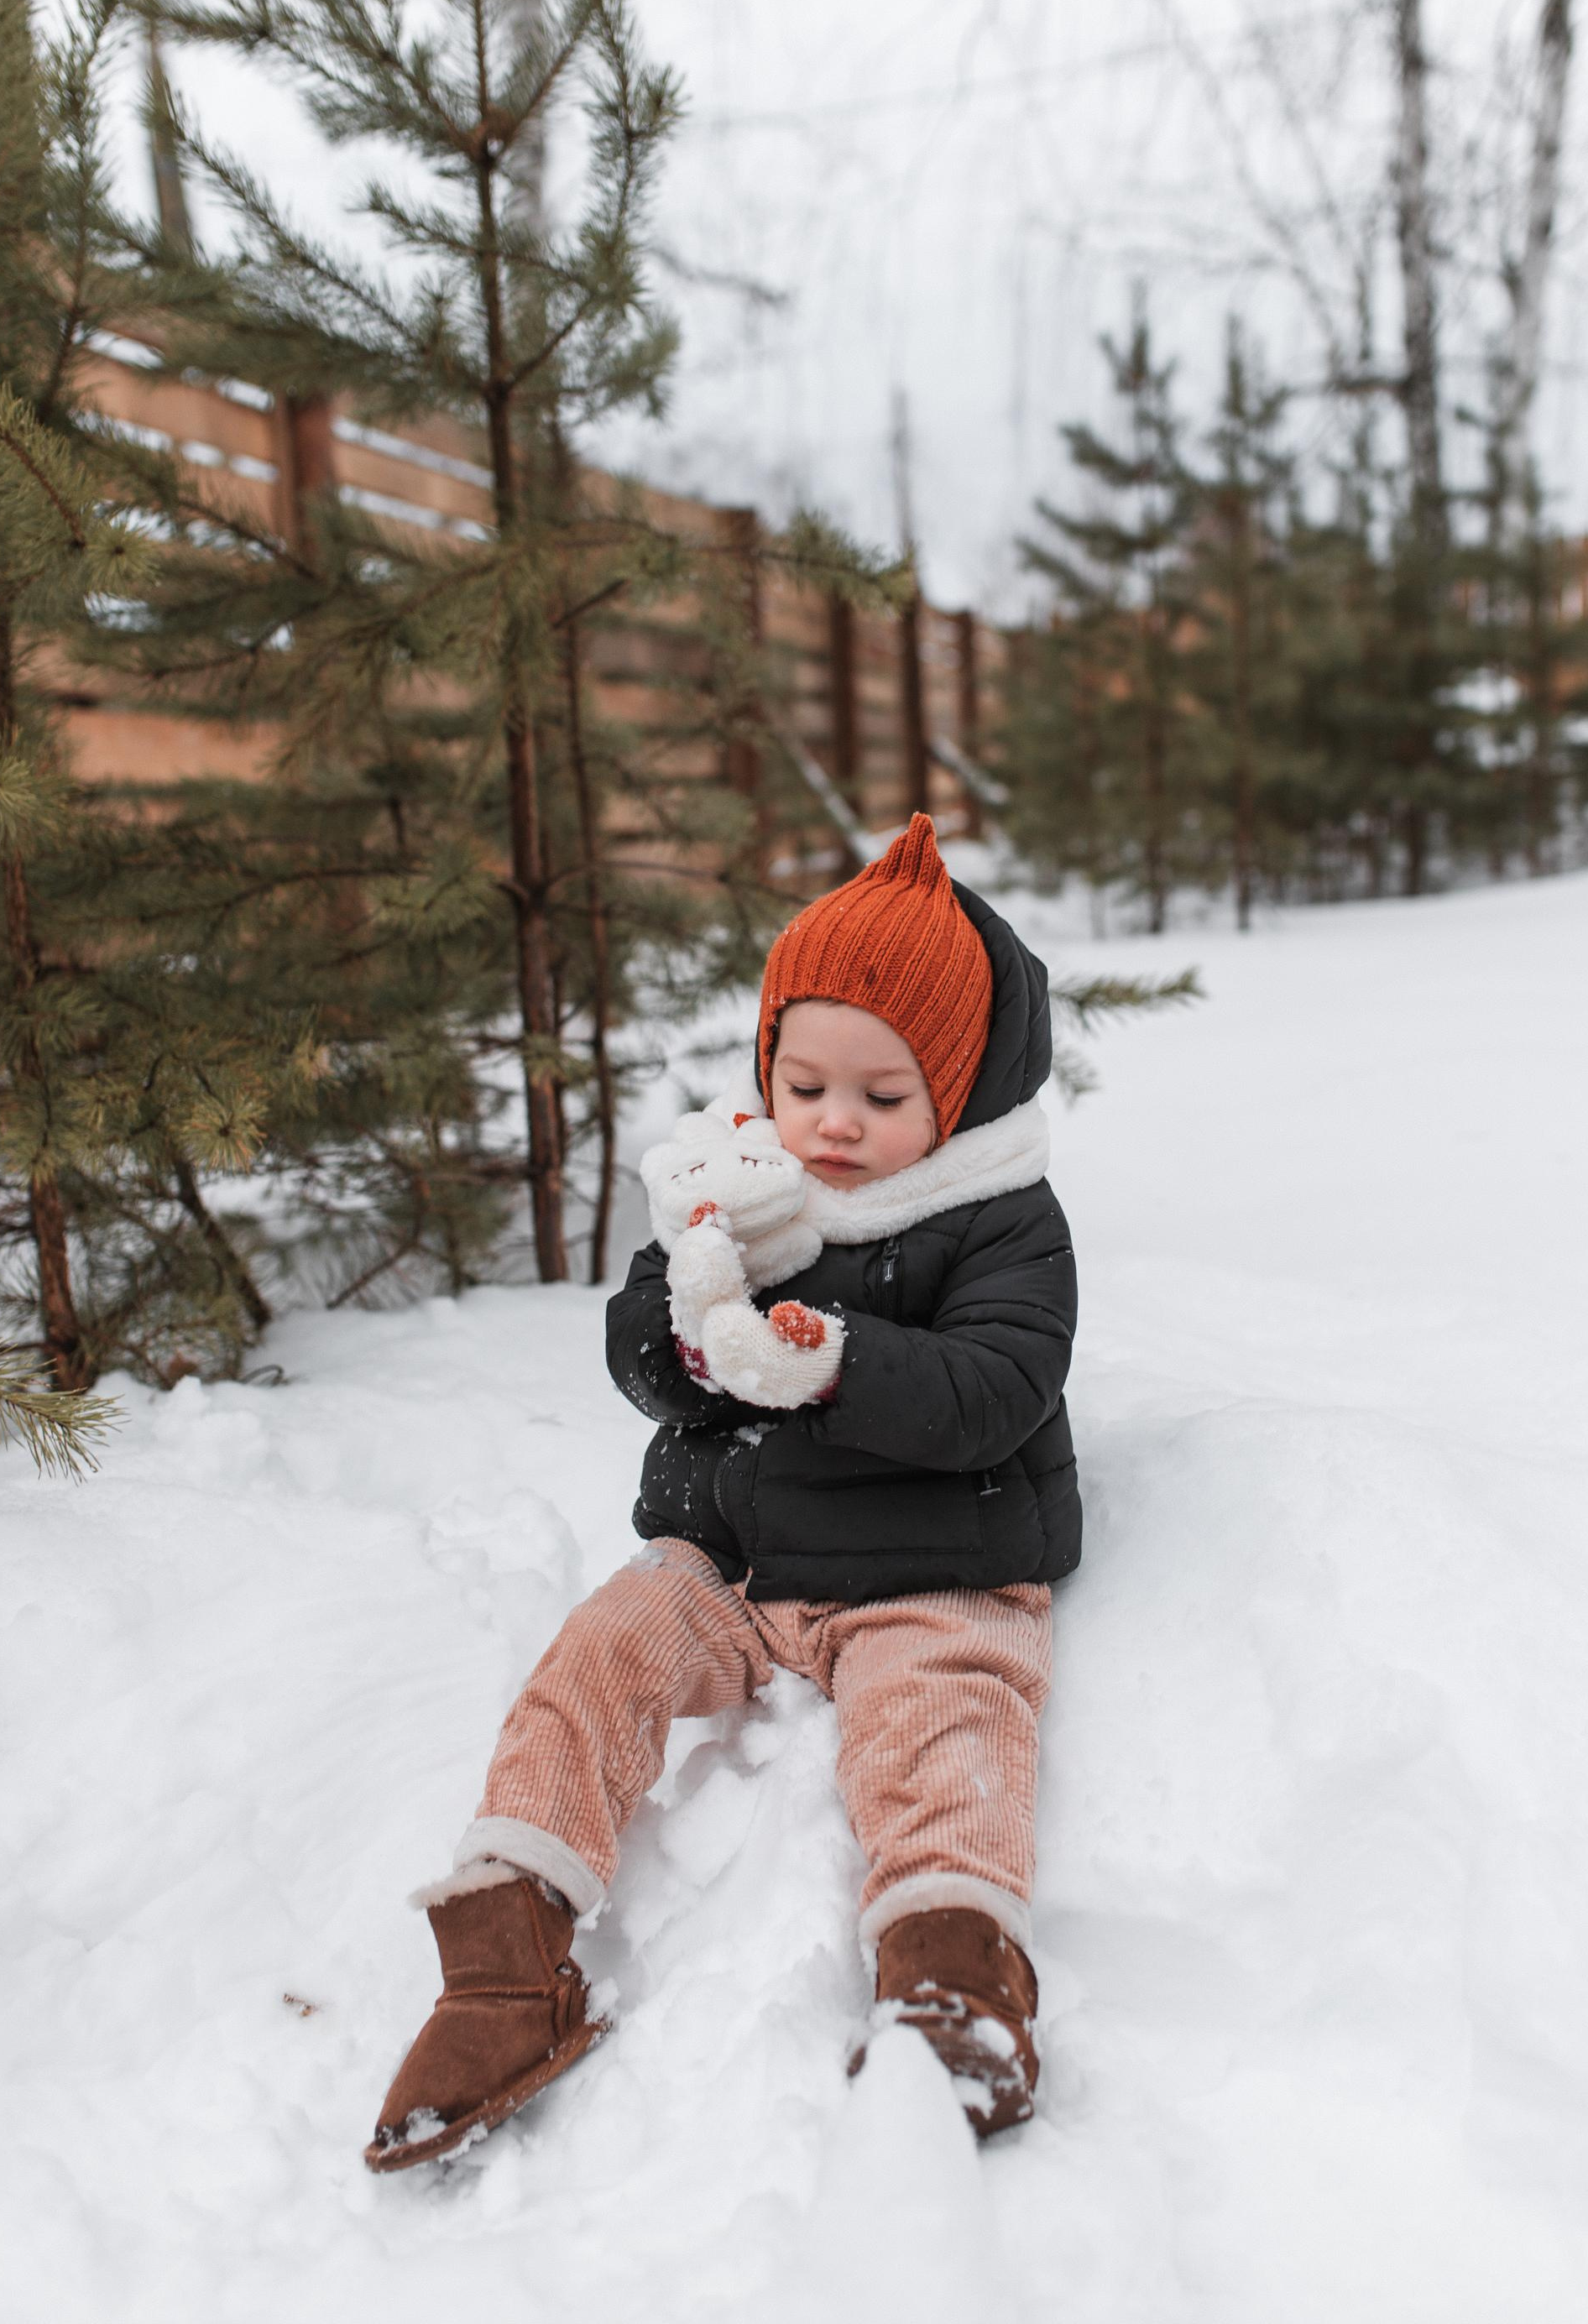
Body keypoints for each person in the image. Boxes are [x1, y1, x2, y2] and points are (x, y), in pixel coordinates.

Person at [366, 813, 1081, 2170]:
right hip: (738, 1565)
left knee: (945, 1725)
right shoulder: (737, 1190)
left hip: (932, 1565)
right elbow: (641, 1349)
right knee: (597, 1661)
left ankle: (954, 1976)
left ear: (963, 1087)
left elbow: (1001, 1382)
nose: (835, 1124)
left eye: (883, 1096)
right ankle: (506, 1952)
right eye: (805, 1083)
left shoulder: (1000, 1214)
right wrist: (693, 1328)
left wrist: (832, 1363)